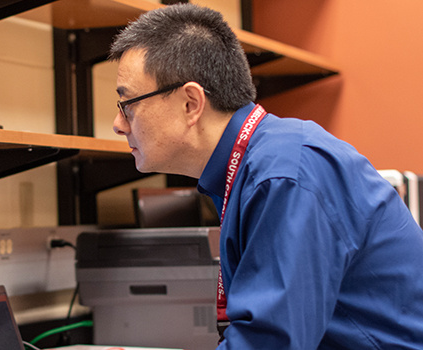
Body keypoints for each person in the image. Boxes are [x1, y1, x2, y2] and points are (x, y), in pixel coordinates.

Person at [109, 3, 423, 349]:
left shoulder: (285, 174)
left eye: (128, 105)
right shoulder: (255, 164)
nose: (118, 124)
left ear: (190, 103)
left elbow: (270, 342)